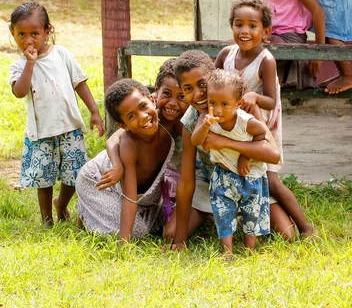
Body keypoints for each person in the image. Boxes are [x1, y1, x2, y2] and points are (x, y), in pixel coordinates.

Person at [215, 0, 317, 240]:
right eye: (239, 24)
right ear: (232, 27)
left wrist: (253, 96)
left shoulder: (266, 61)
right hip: (233, 126)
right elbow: (212, 83)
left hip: (262, 128)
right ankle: (256, 218)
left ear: (266, 31)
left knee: (270, 179)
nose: (245, 31)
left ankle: (306, 228)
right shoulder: (226, 54)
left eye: (253, 26)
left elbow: (270, 100)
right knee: (248, 176)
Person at [170, 50, 280, 250]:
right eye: (188, 89)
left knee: (286, 232)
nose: (198, 94)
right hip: (216, 183)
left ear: (214, 77)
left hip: (251, 180)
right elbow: (186, 181)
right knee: (171, 232)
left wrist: (225, 142)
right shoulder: (191, 121)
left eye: (202, 84)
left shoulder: (242, 106)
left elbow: (273, 154)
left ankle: (238, 218)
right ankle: (216, 215)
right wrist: (179, 240)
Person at [9, 1, 104, 228]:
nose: (28, 40)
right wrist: (30, 64)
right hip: (41, 133)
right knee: (44, 179)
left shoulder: (62, 54)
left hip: (69, 128)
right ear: (12, 34)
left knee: (75, 175)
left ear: (47, 31)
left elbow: (79, 83)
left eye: (35, 33)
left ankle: (61, 204)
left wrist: (94, 111)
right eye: (21, 34)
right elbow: (19, 92)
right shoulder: (19, 66)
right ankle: (47, 220)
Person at [76, 79, 175, 243]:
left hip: (143, 196)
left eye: (143, 106)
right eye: (132, 116)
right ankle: (85, 208)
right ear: (123, 125)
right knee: (137, 232)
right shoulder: (130, 145)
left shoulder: (170, 123)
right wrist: (124, 245)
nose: (143, 117)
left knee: (159, 224)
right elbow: (129, 199)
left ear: (152, 99)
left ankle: (95, 212)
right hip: (98, 181)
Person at [96, 58, 188, 234]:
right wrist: (124, 244)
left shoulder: (175, 121)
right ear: (155, 94)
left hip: (148, 192)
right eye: (167, 94)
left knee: (155, 227)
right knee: (137, 231)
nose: (173, 103)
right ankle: (86, 212)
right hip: (103, 179)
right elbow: (113, 140)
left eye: (182, 95)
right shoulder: (133, 138)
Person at [191, 70, 271, 258]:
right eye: (212, 103)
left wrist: (245, 155)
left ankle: (250, 250)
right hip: (223, 175)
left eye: (224, 104)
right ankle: (227, 251)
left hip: (250, 177)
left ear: (238, 104)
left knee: (251, 212)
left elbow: (262, 135)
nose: (217, 109)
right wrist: (205, 126)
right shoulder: (207, 120)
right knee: (223, 212)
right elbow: (196, 141)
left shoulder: (246, 122)